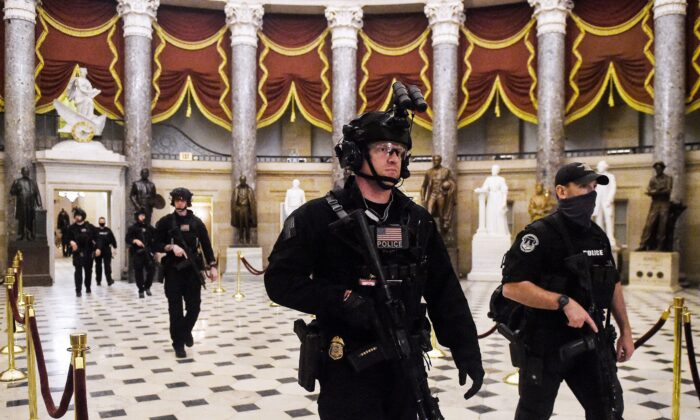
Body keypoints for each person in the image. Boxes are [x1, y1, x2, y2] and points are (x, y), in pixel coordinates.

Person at [265, 105, 484, 419]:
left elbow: (444, 290)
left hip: (405, 364)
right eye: (383, 149)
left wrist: (466, 351)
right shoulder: (317, 217)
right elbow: (279, 281)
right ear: (355, 155)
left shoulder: (417, 220)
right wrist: (342, 299)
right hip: (347, 367)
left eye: (400, 150)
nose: (394, 157)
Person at [501, 162, 634, 419]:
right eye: (584, 186)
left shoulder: (598, 236)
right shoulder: (538, 235)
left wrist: (626, 331)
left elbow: (613, 282)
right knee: (533, 414)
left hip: (592, 341)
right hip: (545, 343)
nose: (591, 193)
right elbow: (512, 287)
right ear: (562, 191)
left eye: (594, 187)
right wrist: (563, 302)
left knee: (609, 411)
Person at [154, 188, 218, 358]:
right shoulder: (166, 222)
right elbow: (155, 244)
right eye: (177, 199)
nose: (180, 202)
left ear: (188, 201)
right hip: (173, 271)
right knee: (175, 310)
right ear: (173, 201)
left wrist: (212, 266)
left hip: (192, 271)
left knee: (194, 308)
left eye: (183, 200)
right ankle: (178, 344)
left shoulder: (197, 222)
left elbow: (206, 245)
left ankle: (185, 331)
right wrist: (170, 247)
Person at [637, 161, 673, 251]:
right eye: (656, 169)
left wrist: (655, 191)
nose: (657, 170)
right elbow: (649, 190)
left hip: (664, 203)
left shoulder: (668, 178)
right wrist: (658, 191)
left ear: (662, 168)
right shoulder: (653, 179)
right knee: (649, 224)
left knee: (662, 225)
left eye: (659, 168)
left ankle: (660, 246)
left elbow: (668, 191)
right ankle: (643, 244)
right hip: (655, 203)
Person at [420, 155, 456, 234]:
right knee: (428, 213)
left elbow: (453, 183)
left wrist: (448, 184)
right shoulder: (428, 172)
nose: (435, 162)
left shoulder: (446, 171)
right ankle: (429, 231)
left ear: (440, 161)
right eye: (434, 160)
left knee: (441, 214)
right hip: (432, 194)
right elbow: (424, 186)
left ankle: (442, 231)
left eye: (437, 160)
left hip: (441, 195)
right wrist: (422, 197)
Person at [65, 208, 96, 297]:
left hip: (88, 252)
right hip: (77, 253)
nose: (77, 217)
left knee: (88, 271)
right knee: (78, 272)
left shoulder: (90, 227)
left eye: (79, 216)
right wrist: (71, 242)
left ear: (83, 216)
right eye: (76, 216)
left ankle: (88, 287)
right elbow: (66, 238)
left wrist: (96, 246)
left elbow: (96, 237)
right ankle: (78, 290)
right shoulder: (71, 228)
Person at [127, 209, 156, 298]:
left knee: (151, 270)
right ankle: (141, 289)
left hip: (148, 253)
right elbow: (127, 239)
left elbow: (155, 239)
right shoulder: (133, 228)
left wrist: (154, 251)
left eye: (143, 215)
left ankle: (147, 287)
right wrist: (134, 240)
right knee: (138, 272)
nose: (142, 217)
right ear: (137, 217)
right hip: (137, 253)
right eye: (140, 215)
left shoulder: (149, 227)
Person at [475, 164, 509, 235]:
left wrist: (504, 202)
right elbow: (484, 188)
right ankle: (491, 231)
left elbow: (504, 191)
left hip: (499, 197)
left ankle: (500, 231)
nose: (493, 171)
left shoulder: (501, 179)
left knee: (499, 214)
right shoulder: (488, 179)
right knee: (490, 213)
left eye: (495, 169)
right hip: (491, 197)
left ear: (498, 171)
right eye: (493, 169)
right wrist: (479, 189)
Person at [10, 166, 43, 240]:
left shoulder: (33, 182)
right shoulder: (17, 181)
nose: (26, 172)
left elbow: (37, 194)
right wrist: (15, 188)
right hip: (21, 205)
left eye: (27, 171)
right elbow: (12, 192)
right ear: (22, 172)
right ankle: (22, 234)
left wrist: (39, 205)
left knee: (30, 219)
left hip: (31, 204)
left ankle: (29, 234)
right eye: (24, 171)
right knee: (22, 219)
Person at [593, 161, 617, 249]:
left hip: (606, 202)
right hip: (598, 202)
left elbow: (613, 189)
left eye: (600, 166)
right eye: (598, 166)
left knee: (609, 220)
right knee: (598, 222)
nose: (598, 168)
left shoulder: (610, 176)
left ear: (604, 167)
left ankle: (610, 239)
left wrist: (609, 200)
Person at [231, 175, 257, 244]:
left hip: (247, 209)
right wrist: (236, 209)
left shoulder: (249, 189)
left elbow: (252, 202)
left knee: (247, 225)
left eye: (244, 180)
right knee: (240, 225)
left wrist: (252, 212)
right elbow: (234, 202)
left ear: (245, 181)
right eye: (241, 180)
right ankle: (241, 239)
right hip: (239, 209)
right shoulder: (236, 190)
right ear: (240, 181)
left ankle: (248, 239)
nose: (243, 182)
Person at [94, 217, 117, 286]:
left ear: (105, 222)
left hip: (107, 249)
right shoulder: (96, 230)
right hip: (98, 250)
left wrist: (115, 248)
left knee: (107, 266)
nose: (102, 223)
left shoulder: (108, 230)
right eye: (100, 221)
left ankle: (109, 280)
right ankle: (98, 280)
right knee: (98, 266)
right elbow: (92, 239)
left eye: (103, 221)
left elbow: (113, 239)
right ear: (98, 222)